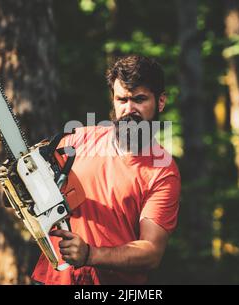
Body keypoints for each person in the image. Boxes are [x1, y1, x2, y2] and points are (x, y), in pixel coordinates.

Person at [31, 55, 181, 284]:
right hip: (53, 279)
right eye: (122, 100)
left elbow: (151, 251)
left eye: (139, 99)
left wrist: (91, 254)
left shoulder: (162, 171)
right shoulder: (78, 140)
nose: (129, 109)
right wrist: (19, 186)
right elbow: (28, 183)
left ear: (160, 102)